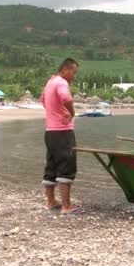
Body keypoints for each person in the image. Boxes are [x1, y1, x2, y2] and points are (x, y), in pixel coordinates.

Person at [40, 58, 81, 214]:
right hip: (63, 131)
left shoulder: (50, 82)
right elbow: (66, 98)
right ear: (66, 69)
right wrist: (71, 112)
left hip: (50, 132)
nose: (73, 76)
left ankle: (51, 202)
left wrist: (54, 112)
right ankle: (66, 205)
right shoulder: (61, 82)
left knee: (51, 166)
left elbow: (43, 100)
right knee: (66, 166)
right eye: (73, 72)